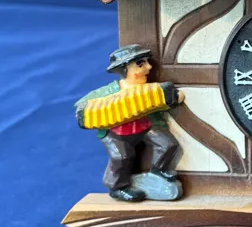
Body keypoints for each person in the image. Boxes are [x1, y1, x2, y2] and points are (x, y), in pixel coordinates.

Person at [75, 44, 184, 203]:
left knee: (168, 144)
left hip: (144, 126)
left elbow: (160, 102)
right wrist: (85, 112)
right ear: (124, 70)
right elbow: (82, 105)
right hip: (116, 132)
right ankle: (117, 187)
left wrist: (170, 98)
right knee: (122, 156)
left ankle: (158, 170)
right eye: (140, 64)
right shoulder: (108, 92)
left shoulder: (150, 90)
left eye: (147, 62)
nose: (149, 67)